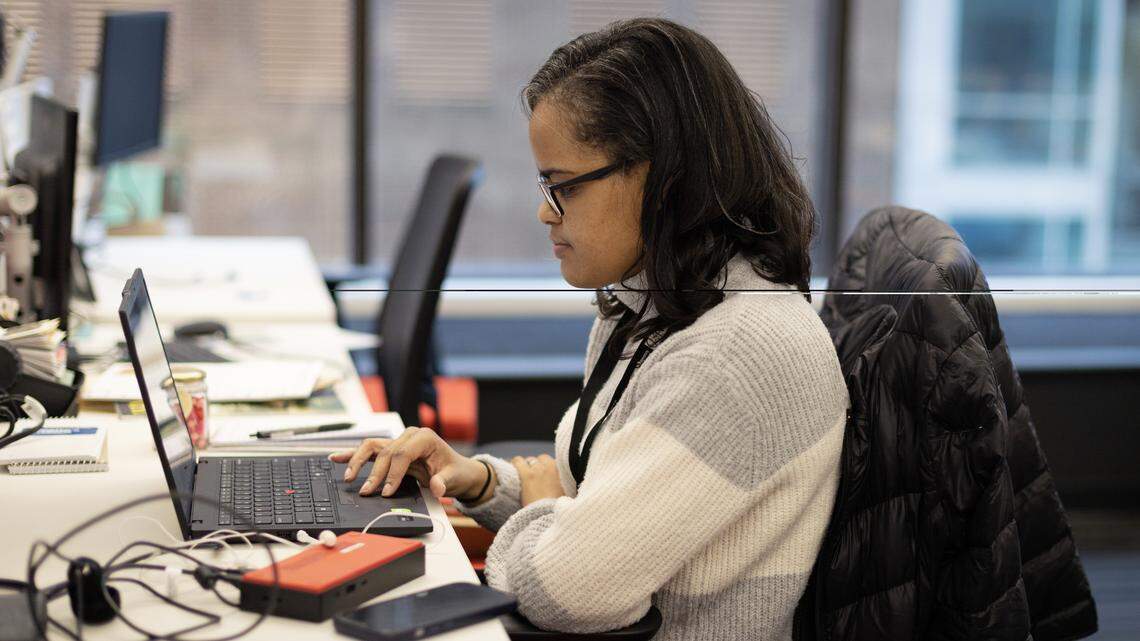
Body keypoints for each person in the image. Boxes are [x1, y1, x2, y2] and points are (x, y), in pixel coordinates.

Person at [332, 17, 848, 641]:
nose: (544, 211)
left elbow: (569, 592)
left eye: (564, 187)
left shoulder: (737, 356)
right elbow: (600, 502)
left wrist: (551, 512)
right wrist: (478, 479)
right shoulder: (650, 304)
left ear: (664, 177)